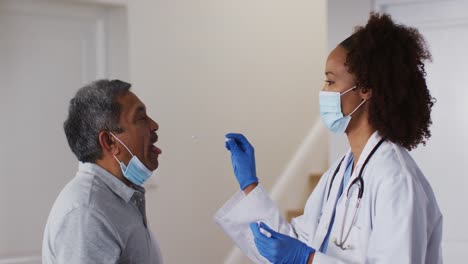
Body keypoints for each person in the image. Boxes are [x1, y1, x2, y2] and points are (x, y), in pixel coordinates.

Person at [215, 13, 443, 264]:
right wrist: (250, 185)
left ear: (365, 89)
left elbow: (303, 255)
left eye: (331, 81)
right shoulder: (340, 172)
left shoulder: (396, 179)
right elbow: (292, 245)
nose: (324, 92)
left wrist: (308, 259)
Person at [42, 79, 163, 263]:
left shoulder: (119, 197)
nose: (154, 125)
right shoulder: (86, 213)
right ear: (110, 142)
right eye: (141, 118)